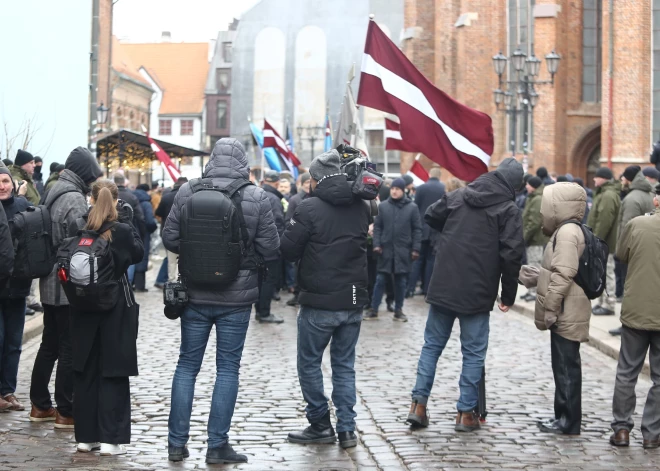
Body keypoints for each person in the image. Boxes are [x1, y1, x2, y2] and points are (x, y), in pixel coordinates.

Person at [163, 138, 279, 465]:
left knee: (187, 366)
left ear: (212, 159)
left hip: (195, 293)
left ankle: (176, 444)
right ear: (243, 162)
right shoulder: (257, 195)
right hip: (236, 298)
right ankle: (217, 446)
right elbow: (271, 248)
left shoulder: (188, 191)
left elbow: (170, 238)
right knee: (227, 369)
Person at [407, 158, 524, 432]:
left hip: (445, 283)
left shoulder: (459, 196)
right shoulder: (508, 209)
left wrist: (453, 235)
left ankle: (418, 405)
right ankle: (465, 414)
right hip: (477, 289)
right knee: (473, 353)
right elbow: (512, 255)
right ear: (513, 186)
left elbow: (431, 216)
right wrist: (508, 295)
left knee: (432, 347)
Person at [281, 149, 371, 449]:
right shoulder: (362, 206)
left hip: (319, 301)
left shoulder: (309, 208)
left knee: (309, 364)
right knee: (344, 366)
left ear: (316, 180)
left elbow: (288, 250)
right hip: (353, 298)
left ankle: (320, 423)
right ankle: (347, 429)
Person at [68, 180, 143, 456]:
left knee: (84, 371)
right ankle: (111, 440)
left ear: (90, 197)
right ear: (116, 199)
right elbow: (137, 254)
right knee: (113, 372)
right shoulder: (120, 230)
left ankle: (85, 438)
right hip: (115, 309)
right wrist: (126, 220)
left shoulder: (80, 226)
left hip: (82, 308)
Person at [31, 146, 104, 428]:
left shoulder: (54, 189)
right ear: (84, 173)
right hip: (65, 283)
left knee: (49, 344)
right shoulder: (73, 198)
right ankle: (65, 409)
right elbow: (78, 242)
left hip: (49, 279)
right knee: (67, 346)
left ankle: (39, 404)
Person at [527, 183, 590, 435]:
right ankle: (562, 417)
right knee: (563, 366)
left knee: (566, 368)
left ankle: (568, 421)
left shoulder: (567, 233)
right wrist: (536, 277)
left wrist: (551, 307)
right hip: (568, 306)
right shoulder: (567, 230)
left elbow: (564, 273)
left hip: (566, 309)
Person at [610, 183, 660, 450]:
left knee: (627, 371)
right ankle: (652, 434)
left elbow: (621, 254)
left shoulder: (638, 224)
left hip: (637, 309)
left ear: (656, 201)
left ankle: (621, 430)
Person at [366, 178, 421, 322]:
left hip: (403, 250)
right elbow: (377, 227)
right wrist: (376, 244)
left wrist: (416, 248)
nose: (394, 191)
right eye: (393, 189)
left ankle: (398, 310)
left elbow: (417, 230)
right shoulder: (383, 206)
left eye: (397, 189)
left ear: (403, 190)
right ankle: (374, 309)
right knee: (380, 280)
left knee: (401, 282)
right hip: (385, 250)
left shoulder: (412, 208)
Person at [0, 166, 31, 411]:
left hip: (18, 286)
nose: (2, 186)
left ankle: (8, 390)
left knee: (13, 342)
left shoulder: (22, 207)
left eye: (5, 181)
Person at [588, 167, 621, 317]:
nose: (594, 179)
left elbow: (604, 221)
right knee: (601, 272)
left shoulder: (608, 195)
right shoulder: (604, 193)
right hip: (602, 242)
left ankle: (609, 304)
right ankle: (602, 302)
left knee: (606, 272)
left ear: (603, 178)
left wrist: (596, 239)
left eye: (597, 176)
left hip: (605, 243)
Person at [406, 167, 445, 297]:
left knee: (417, 259)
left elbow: (415, 208)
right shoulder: (443, 188)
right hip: (436, 230)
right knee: (430, 261)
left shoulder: (421, 188)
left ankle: (410, 288)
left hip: (421, 228)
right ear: (439, 175)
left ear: (429, 175)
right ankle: (427, 289)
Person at [256, 170, 285, 324]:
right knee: (267, 281)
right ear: (276, 182)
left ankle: (260, 311)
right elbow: (278, 225)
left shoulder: (257, 194)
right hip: (270, 249)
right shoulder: (273, 199)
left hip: (258, 247)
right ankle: (264, 313)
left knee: (260, 281)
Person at [284, 172, 311, 307]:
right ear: (301, 184)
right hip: (299, 239)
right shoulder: (295, 200)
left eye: (310, 182)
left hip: (312, 241)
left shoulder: (316, 198)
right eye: (306, 182)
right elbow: (288, 220)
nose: (308, 185)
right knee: (297, 267)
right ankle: (297, 292)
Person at [520, 176, 549, 302]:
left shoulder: (537, 199)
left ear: (533, 186)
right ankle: (531, 290)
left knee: (535, 265)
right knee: (531, 265)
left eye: (528, 184)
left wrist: (525, 237)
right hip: (532, 238)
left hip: (535, 239)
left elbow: (534, 222)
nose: (526, 186)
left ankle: (536, 291)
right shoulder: (533, 198)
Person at [114, 174, 146, 285]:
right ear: (124, 182)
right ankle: (128, 282)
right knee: (129, 257)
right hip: (128, 231)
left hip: (111, 231)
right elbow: (140, 216)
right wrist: (141, 233)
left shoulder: (109, 195)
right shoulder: (131, 196)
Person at [155, 177, 188, 286]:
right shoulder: (190, 197)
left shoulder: (166, 197)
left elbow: (158, 213)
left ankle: (171, 281)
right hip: (185, 233)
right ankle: (183, 280)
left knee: (171, 260)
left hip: (168, 231)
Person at [132, 184, 158, 292]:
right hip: (143, 234)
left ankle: (131, 282)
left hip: (131, 232)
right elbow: (150, 221)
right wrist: (151, 229)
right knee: (142, 258)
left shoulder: (131, 198)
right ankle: (140, 285)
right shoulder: (146, 203)